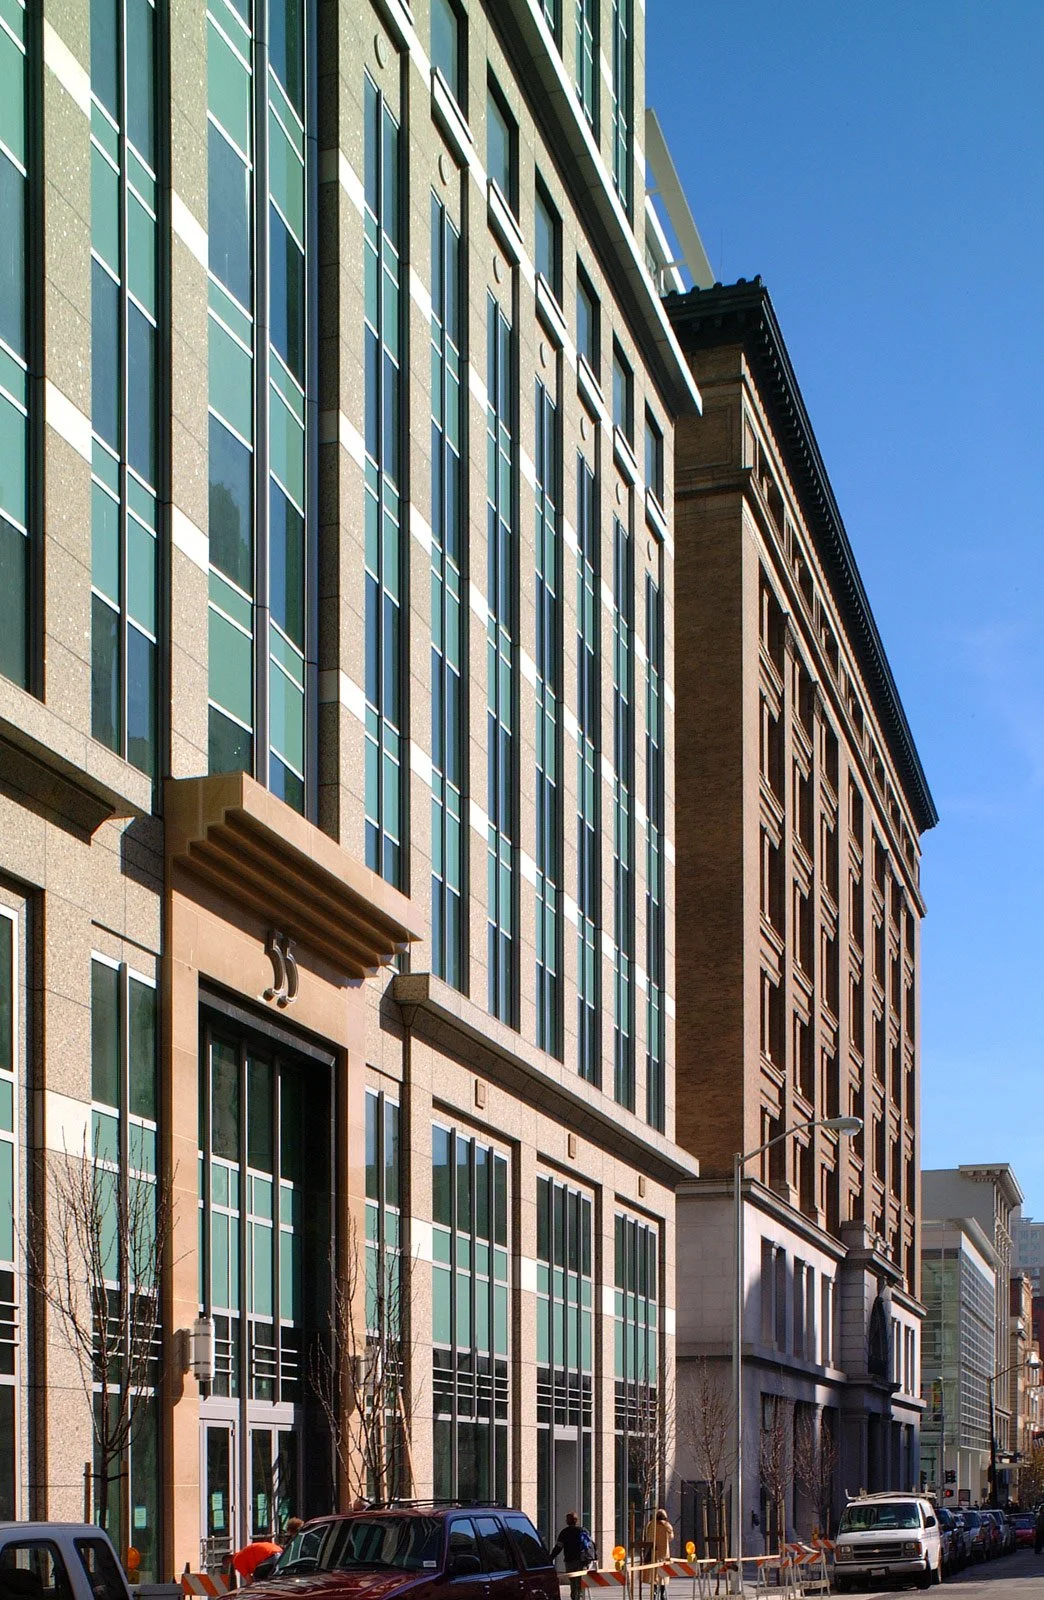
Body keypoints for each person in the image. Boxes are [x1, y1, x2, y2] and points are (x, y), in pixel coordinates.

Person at [551, 1512, 596, 1600]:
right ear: (576, 1520)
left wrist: (551, 1557)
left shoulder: (565, 1532)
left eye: (567, 1519)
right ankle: (579, 1596)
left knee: (573, 1582)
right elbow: (591, 1545)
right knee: (579, 1581)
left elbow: (558, 1547)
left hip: (570, 1560)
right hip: (582, 1560)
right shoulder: (583, 1530)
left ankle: (575, 1597)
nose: (566, 1520)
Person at [643, 1509, 673, 1600]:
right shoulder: (667, 1526)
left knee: (654, 1574)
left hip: (654, 1551)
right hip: (664, 1553)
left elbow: (648, 1537)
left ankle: (654, 1591)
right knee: (663, 1574)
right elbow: (671, 1537)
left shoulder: (651, 1525)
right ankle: (663, 1593)